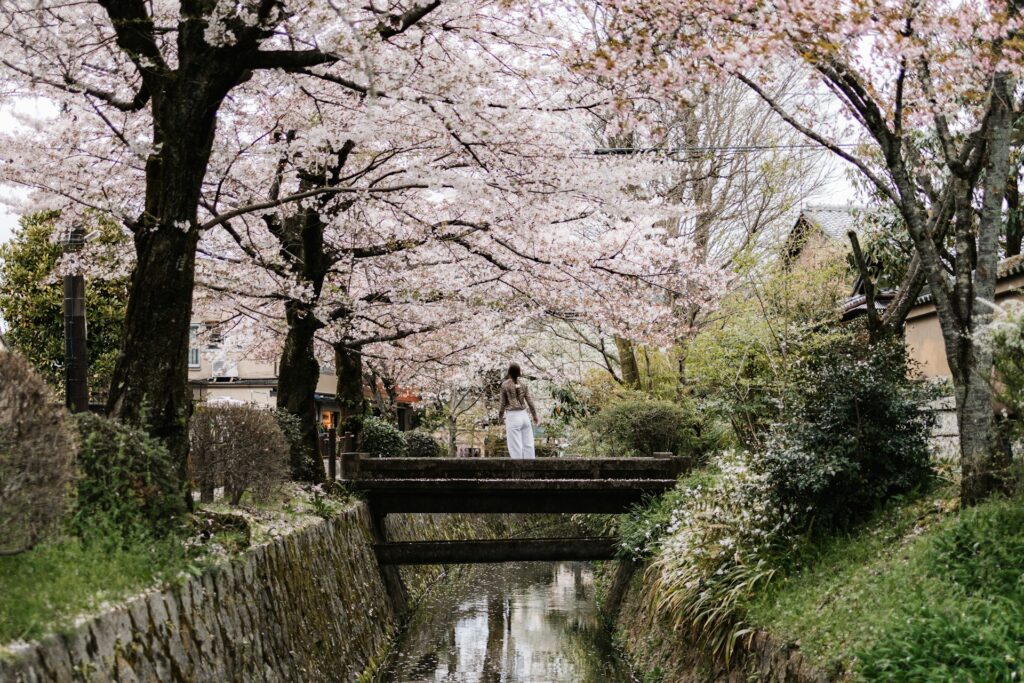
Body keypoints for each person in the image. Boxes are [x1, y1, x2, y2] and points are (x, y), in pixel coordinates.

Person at [498, 362, 539, 459]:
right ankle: (531, 468)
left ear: (509, 372)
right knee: (528, 445)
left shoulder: (505, 385)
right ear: (519, 372)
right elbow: (530, 401)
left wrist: (500, 416)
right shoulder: (523, 385)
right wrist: (534, 415)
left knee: (515, 446)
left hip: (513, 416)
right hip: (524, 416)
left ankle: (518, 470)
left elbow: (502, 404)